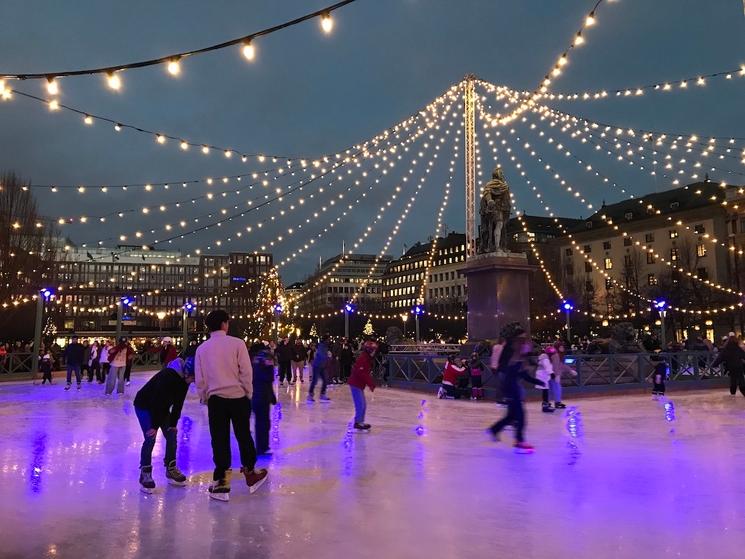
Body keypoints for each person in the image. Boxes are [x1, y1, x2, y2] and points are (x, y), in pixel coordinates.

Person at [195, 310, 268, 502]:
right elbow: (246, 371)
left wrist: (204, 396)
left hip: (216, 399)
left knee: (219, 438)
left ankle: (221, 481)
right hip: (238, 397)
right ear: (224, 324)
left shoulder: (202, 349)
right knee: (243, 435)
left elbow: (200, 378)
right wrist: (248, 392)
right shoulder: (237, 344)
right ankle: (250, 472)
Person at [133, 356, 194, 493]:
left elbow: (178, 404)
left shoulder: (184, 381)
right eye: (193, 377)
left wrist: (173, 423)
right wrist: (154, 426)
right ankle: (145, 473)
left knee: (171, 435)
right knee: (150, 438)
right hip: (144, 406)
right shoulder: (168, 376)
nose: (193, 381)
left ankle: (171, 468)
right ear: (187, 372)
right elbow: (157, 401)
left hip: (161, 407)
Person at [487, 323, 546, 453]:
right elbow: (510, 370)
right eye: (522, 337)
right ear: (516, 338)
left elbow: (523, 373)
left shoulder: (518, 351)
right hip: (511, 386)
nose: (525, 340)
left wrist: (537, 380)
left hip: (512, 385)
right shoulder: (512, 349)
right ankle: (519, 441)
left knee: (511, 415)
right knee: (520, 415)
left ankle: (494, 429)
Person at [252, 349, 278, 456]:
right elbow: (267, 381)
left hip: (259, 398)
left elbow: (268, 384)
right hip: (260, 398)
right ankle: (262, 447)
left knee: (262, 423)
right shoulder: (263, 369)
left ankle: (261, 447)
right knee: (263, 423)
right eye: (270, 360)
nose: (272, 363)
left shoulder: (258, 366)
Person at [348, 340, 377, 431]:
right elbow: (361, 373)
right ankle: (358, 423)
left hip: (358, 384)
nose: (375, 352)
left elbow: (364, 373)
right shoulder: (363, 358)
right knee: (360, 404)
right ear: (369, 350)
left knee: (362, 404)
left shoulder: (367, 358)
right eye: (374, 350)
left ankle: (360, 421)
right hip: (355, 384)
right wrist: (370, 384)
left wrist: (370, 383)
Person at [547, 342, 577, 409]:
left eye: (563, 347)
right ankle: (557, 403)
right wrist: (557, 375)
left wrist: (570, 370)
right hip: (552, 374)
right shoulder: (556, 355)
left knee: (551, 388)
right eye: (561, 347)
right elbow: (555, 366)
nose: (562, 348)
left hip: (550, 374)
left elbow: (561, 365)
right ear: (557, 348)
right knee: (557, 388)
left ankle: (549, 403)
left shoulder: (558, 355)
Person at [308, 335, 331, 402]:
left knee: (325, 380)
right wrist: (327, 357)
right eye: (328, 340)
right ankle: (310, 395)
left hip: (322, 366)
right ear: (325, 340)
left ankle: (322, 394)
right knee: (315, 381)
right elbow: (321, 355)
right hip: (317, 366)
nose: (329, 341)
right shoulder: (321, 346)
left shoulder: (325, 347)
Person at [534, 346, 555, 413]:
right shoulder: (546, 358)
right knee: (545, 390)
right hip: (542, 374)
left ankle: (545, 403)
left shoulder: (544, 357)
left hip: (542, 374)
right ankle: (545, 405)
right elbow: (547, 366)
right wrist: (552, 373)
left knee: (545, 389)